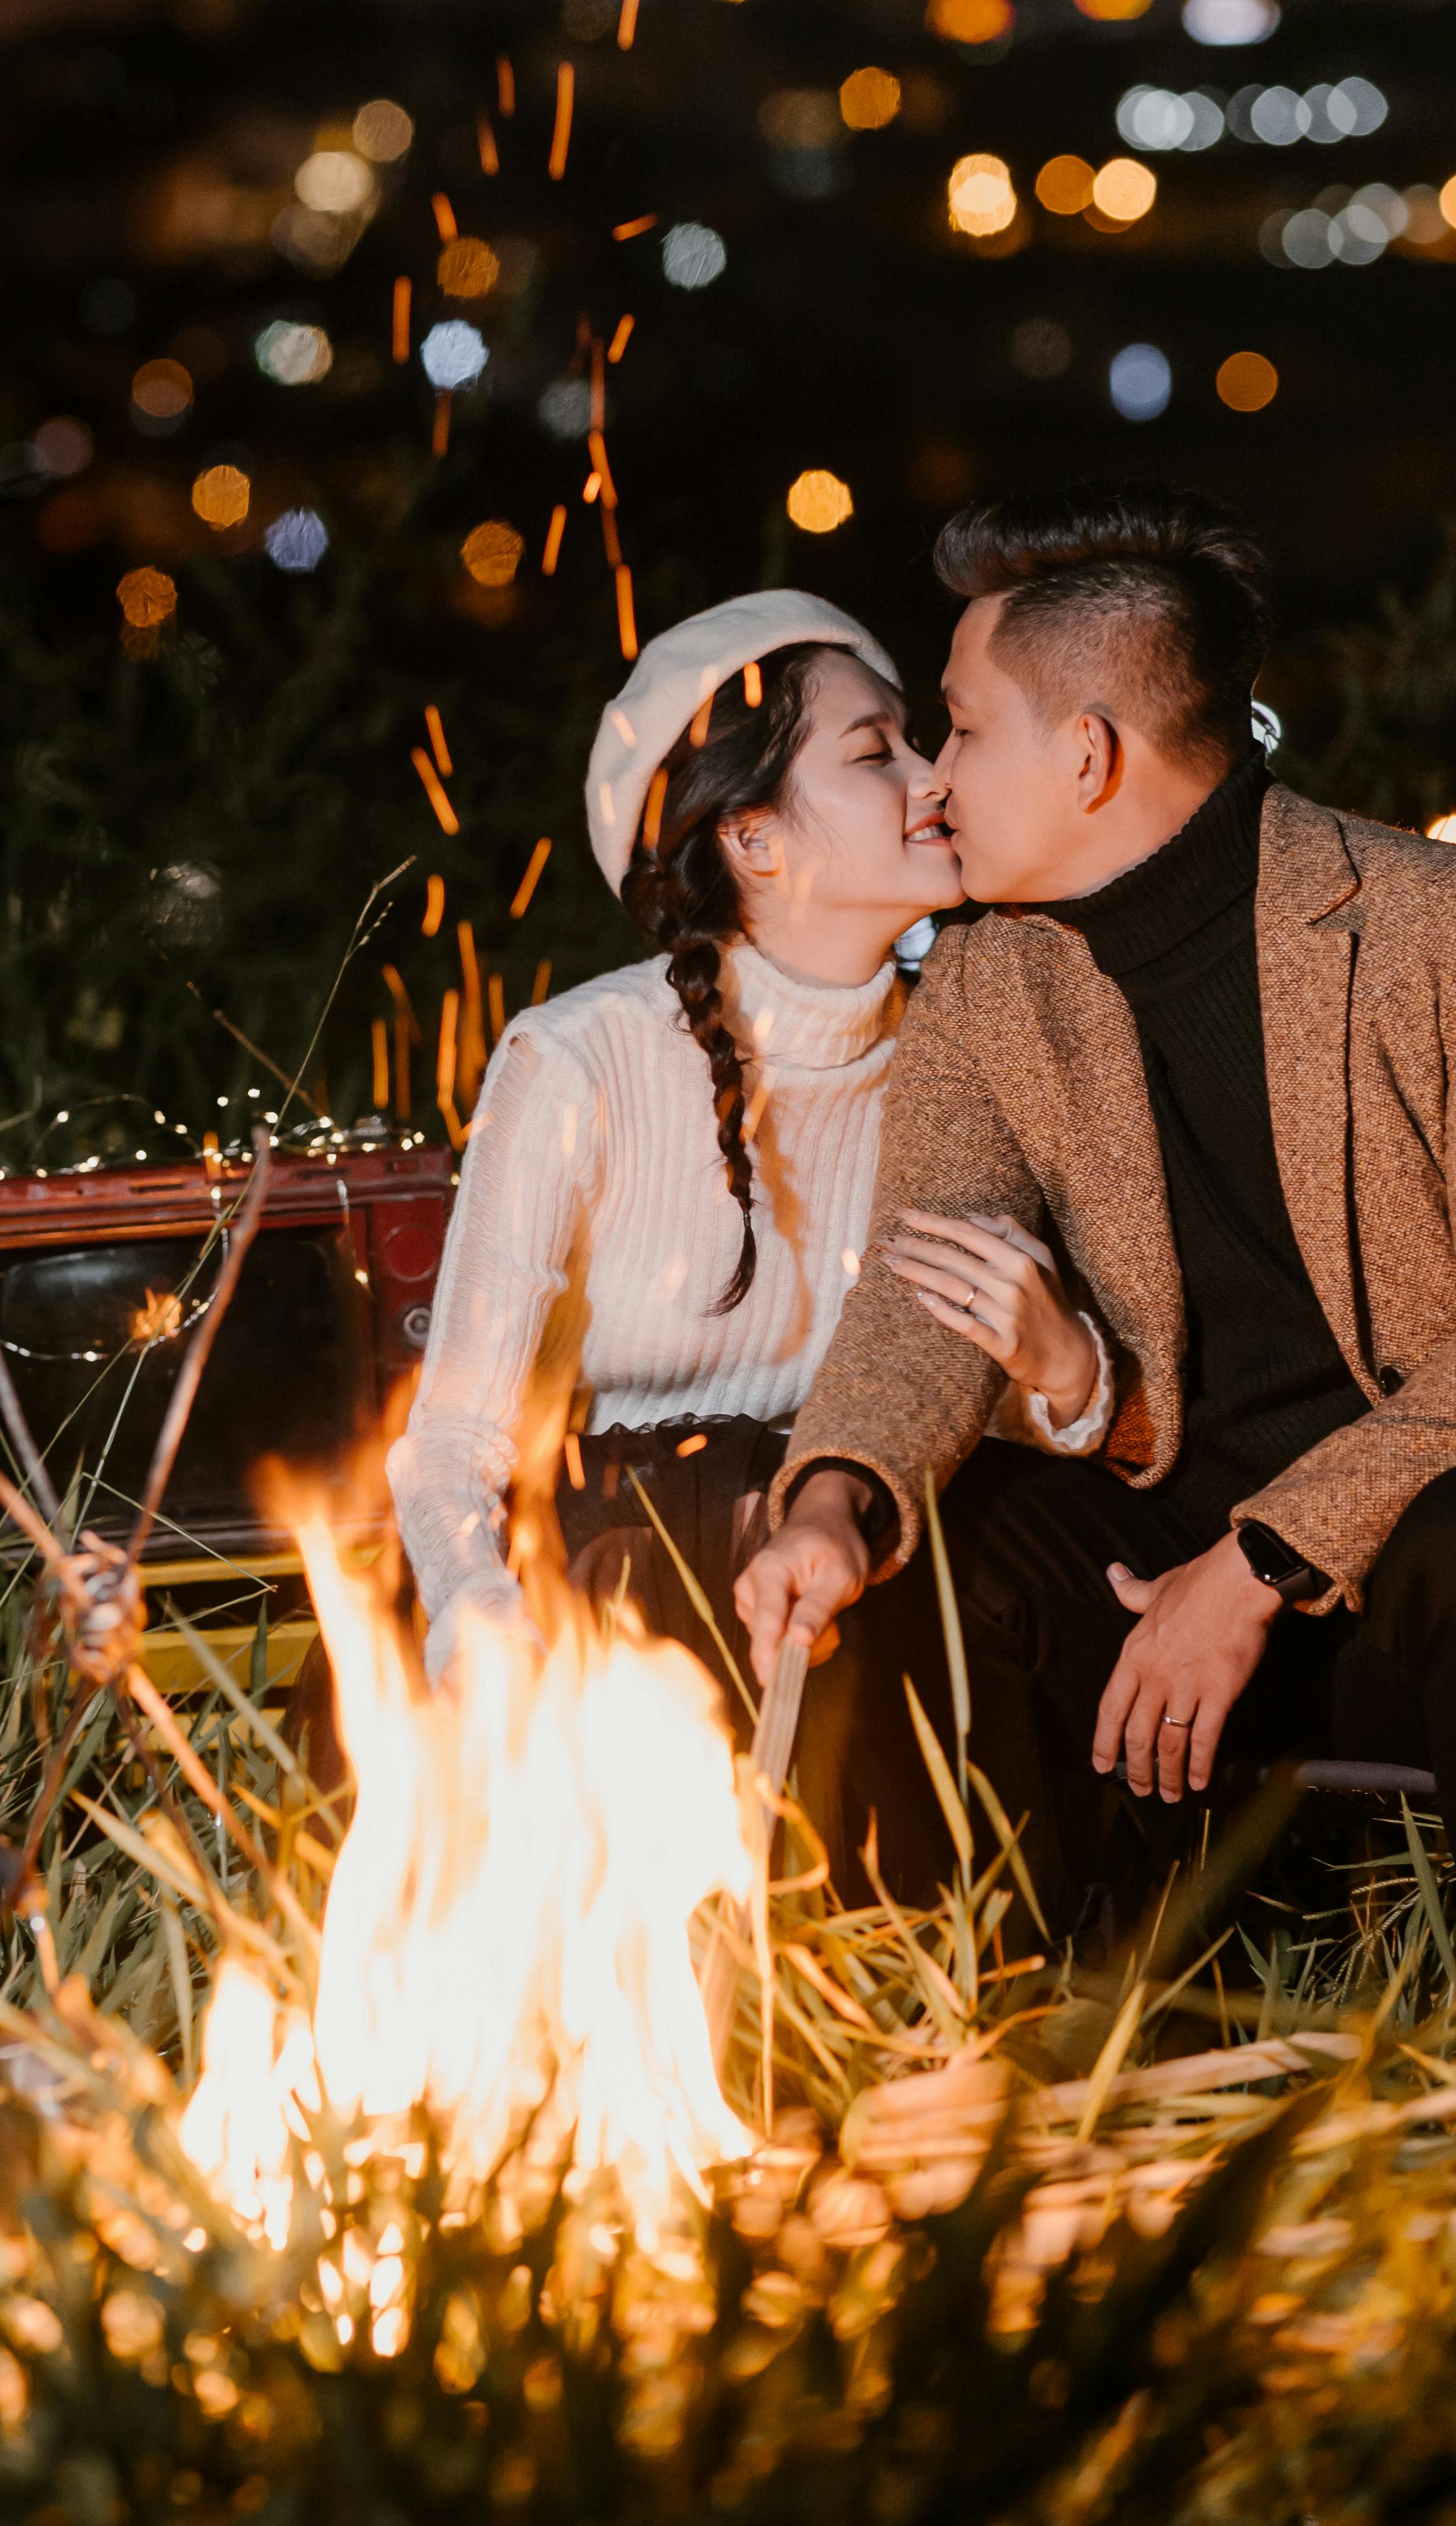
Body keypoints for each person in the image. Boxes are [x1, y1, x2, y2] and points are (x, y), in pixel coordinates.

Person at [731, 483, 1456, 2026]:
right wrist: (836, 1499)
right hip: (1151, 1555)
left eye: (961, 731)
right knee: (933, 1556)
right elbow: (924, 1295)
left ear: (1088, 756)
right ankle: (1032, 2028)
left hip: (1420, 1582)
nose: (937, 780)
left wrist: (1260, 1564)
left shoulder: (1448, 923)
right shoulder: (988, 979)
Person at [387, 589, 1027, 1899]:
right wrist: (475, 1611)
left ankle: (970, 1988)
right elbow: (454, 1438)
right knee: (712, 1505)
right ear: (753, 836)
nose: (932, 777)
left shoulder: (968, 1049)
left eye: (921, 742)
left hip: (868, 1530)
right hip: (615, 1557)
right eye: (877, 752)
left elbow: (997, 1386)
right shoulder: (582, 1058)